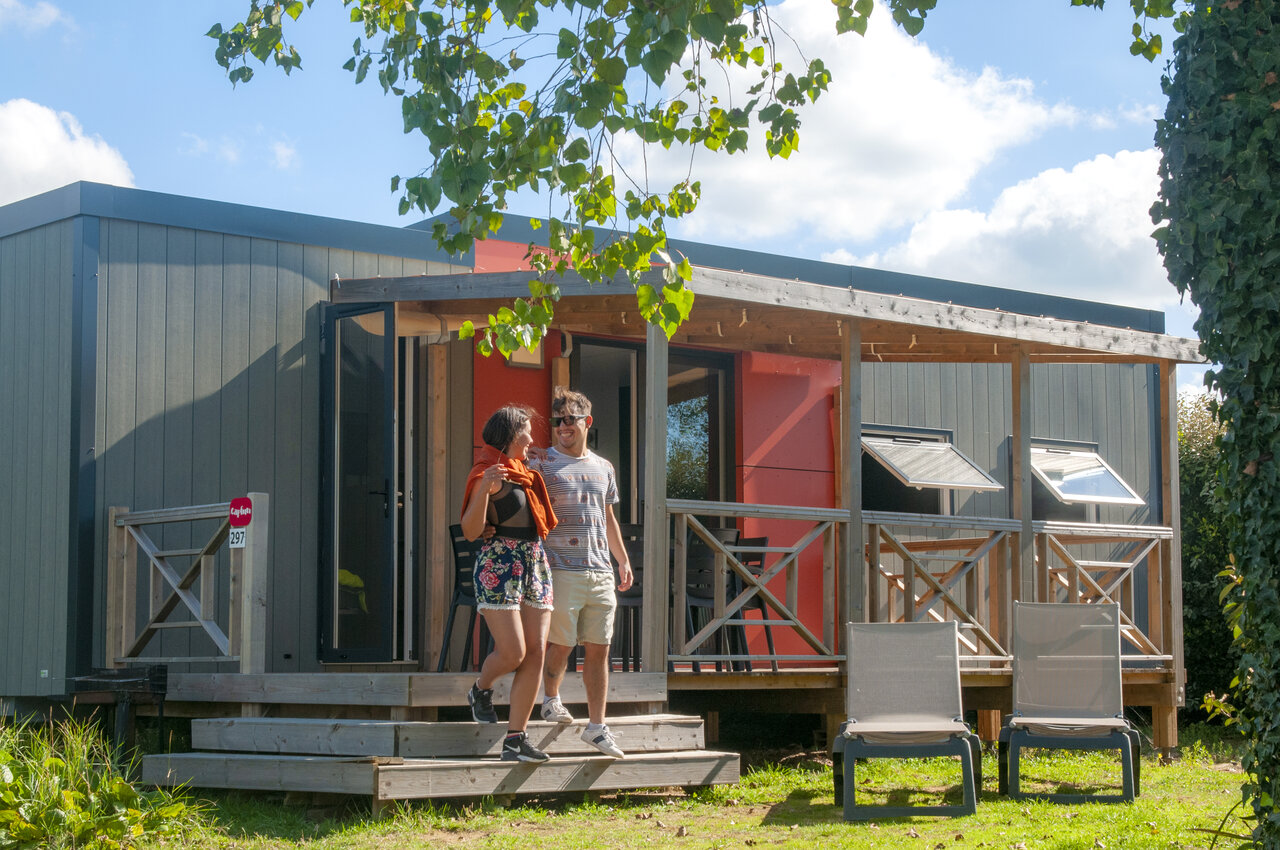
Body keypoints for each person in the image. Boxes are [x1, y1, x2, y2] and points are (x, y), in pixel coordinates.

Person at [531, 387, 633, 758]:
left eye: (570, 419)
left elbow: (607, 519)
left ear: (587, 422)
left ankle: (597, 728)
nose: (563, 426)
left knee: (599, 649)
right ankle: (551, 699)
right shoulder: (543, 463)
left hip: (601, 571)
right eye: (558, 420)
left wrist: (622, 559)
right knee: (561, 644)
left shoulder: (604, 467)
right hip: (560, 568)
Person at [460, 405, 558, 763]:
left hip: (534, 562)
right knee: (513, 652)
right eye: (528, 432)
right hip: (499, 565)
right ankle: (480, 689)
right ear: (512, 436)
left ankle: (516, 739)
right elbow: (472, 531)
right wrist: (485, 488)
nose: (533, 438)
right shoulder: (486, 473)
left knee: (536, 652)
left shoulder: (526, 474)